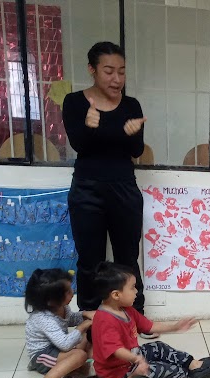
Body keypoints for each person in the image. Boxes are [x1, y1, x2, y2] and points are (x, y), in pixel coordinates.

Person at [63, 41, 149, 319]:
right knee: (90, 260)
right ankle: (91, 320)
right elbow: (79, 145)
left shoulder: (131, 105)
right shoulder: (75, 102)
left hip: (124, 188)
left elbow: (136, 151)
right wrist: (89, 127)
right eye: (109, 71)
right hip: (87, 189)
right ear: (92, 70)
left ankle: (134, 317)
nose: (117, 79)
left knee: (127, 259)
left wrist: (133, 134)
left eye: (121, 72)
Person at [91, 262, 210, 378]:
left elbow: (149, 326)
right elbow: (116, 350)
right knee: (156, 369)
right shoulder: (104, 320)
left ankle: (193, 364)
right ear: (116, 295)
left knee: (159, 346)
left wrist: (175, 327)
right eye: (132, 287)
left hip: (131, 358)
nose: (136, 291)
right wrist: (137, 359)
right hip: (118, 375)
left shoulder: (126, 309)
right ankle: (189, 372)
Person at [24, 268, 93, 378]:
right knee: (80, 354)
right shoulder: (43, 318)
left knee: (86, 336)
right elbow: (65, 345)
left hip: (58, 347)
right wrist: (82, 326)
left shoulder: (62, 307)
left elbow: (70, 319)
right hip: (42, 354)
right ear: (51, 300)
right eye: (68, 291)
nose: (72, 292)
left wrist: (85, 314)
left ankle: (82, 367)